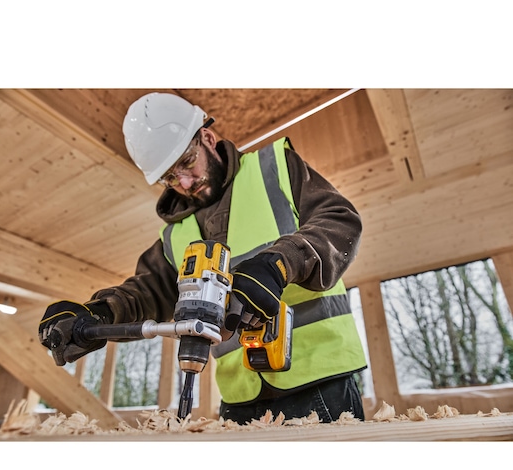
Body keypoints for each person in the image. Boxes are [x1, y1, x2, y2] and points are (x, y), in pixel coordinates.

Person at [39, 92, 368, 424]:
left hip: (320, 383)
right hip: (239, 397)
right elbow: (144, 293)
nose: (183, 182)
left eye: (186, 162)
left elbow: (340, 221)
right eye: (169, 177)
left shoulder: (273, 168)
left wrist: (278, 264)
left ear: (208, 138)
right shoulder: (174, 236)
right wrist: (96, 315)